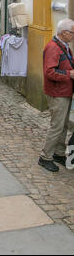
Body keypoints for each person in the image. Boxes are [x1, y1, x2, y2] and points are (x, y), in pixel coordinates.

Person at [38, 19, 74, 172]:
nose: (73, 35)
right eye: (72, 32)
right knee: (56, 126)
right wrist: (69, 74)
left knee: (63, 125)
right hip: (57, 93)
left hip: (64, 92)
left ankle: (59, 153)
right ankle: (45, 157)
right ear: (63, 33)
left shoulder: (64, 46)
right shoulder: (53, 48)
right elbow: (49, 72)